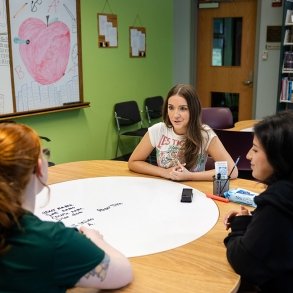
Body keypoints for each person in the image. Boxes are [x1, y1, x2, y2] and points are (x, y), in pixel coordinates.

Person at [0, 123, 133, 292]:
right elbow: (123, 272)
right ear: (40, 168)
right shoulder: (51, 240)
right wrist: (95, 239)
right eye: (45, 153)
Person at [223, 110, 293, 293]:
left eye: (255, 149)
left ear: (279, 156)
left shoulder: (278, 202)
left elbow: (243, 260)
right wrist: (251, 219)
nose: (247, 156)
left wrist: (238, 227)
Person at [128, 84, 238, 181]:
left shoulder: (205, 134)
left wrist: (190, 176)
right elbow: (133, 162)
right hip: (164, 189)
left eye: (183, 109)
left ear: (193, 110)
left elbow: (232, 171)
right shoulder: (158, 130)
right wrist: (165, 172)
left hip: (195, 191)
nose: (175, 115)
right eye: (171, 108)